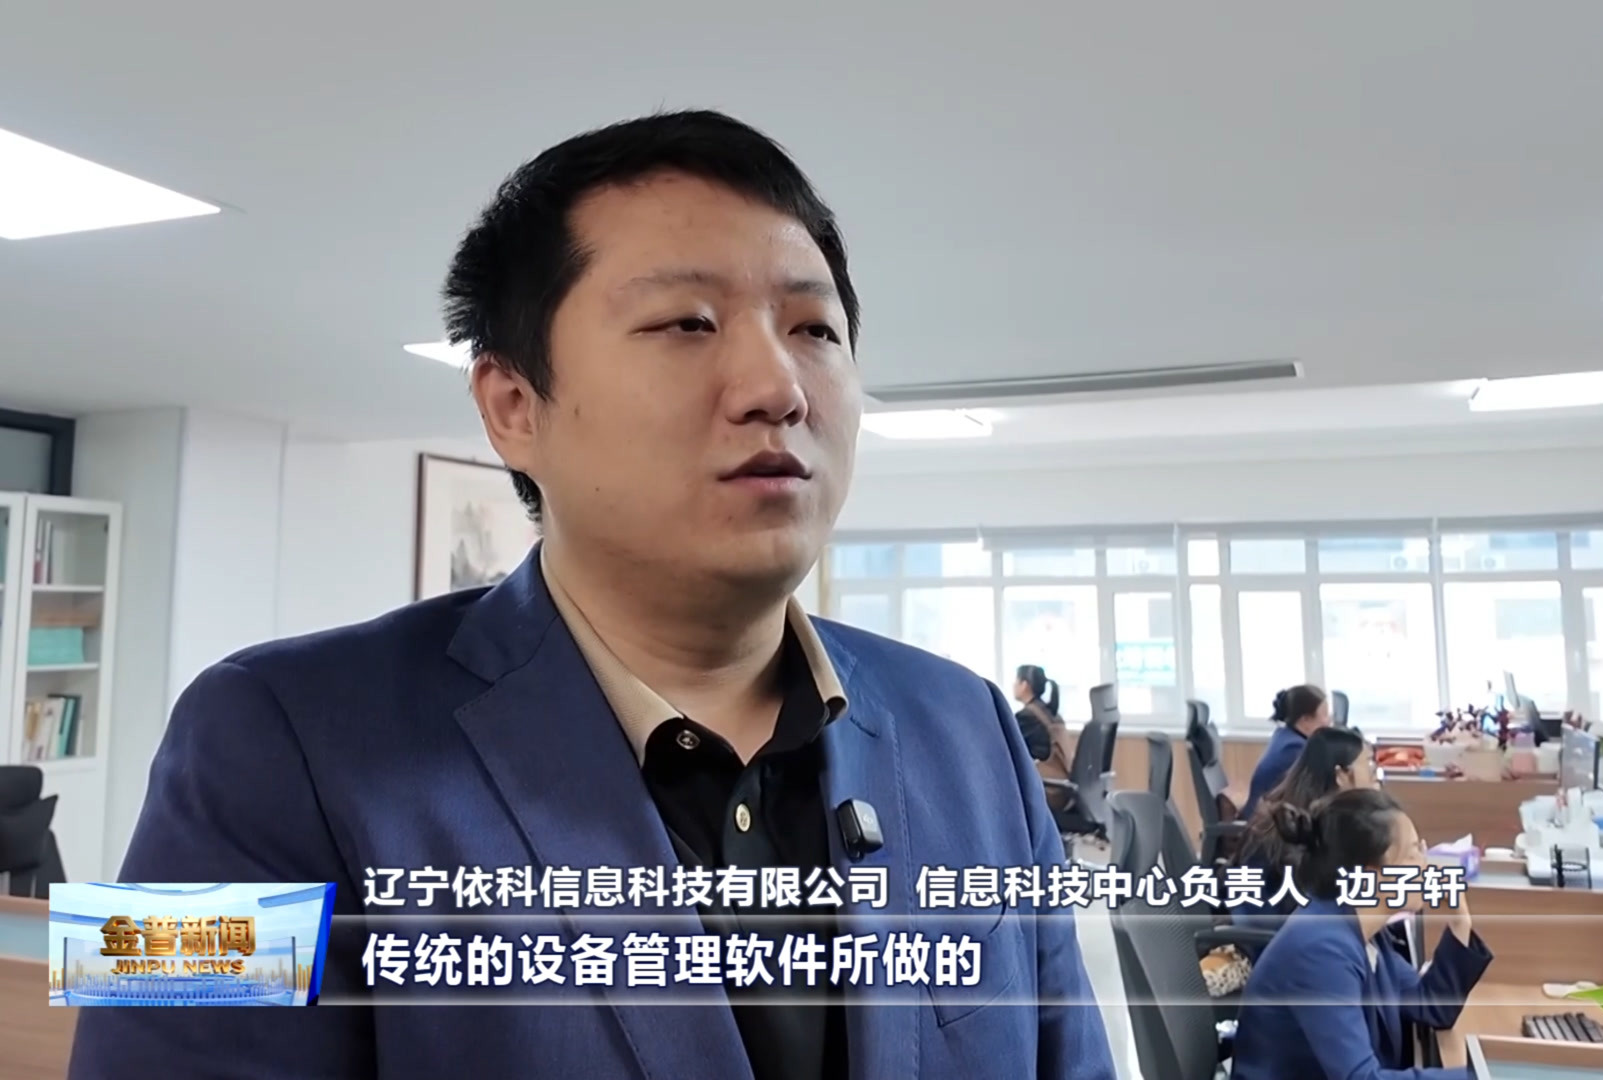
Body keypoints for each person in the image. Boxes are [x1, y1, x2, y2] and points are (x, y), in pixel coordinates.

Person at [70, 110, 1113, 1080]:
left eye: (814, 329)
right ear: (513, 406)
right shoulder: (258, 736)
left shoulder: (967, 728)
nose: (778, 388)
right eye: (687, 323)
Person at [1232, 789, 1493, 1080]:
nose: (1427, 866)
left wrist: (1459, 923)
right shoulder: (1321, 950)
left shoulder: (1363, 931)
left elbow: (1429, 1006)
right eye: (1412, 854)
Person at [1239, 727, 1376, 903]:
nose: (1374, 772)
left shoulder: (1304, 808)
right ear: (1341, 775)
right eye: (1368, 763)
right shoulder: (1321, 828)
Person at [1242, 685, 1333, 819]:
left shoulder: (1285, 735)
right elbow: (1313, 792)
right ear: (1305, 720)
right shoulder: (1294, 749)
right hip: (1265, 823)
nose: (1330, 721)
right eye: (1324, 714)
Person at [1014, 663, 1072, 809]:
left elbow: (1010, 750)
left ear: (1024, 685)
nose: (1013, 685)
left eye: (1016, 680)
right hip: (1063, 785)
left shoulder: (1027, 717)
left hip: (1049, 790)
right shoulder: (1051, 712)